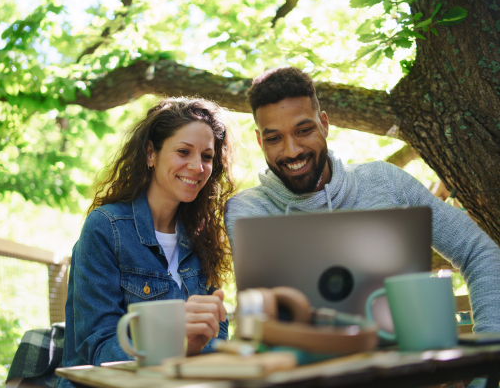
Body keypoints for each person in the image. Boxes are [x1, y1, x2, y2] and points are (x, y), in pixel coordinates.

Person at [224, 66, 500, 333]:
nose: (292, 150)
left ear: (324, 124)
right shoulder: (249, 211)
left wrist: (489, 352)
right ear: (261, 142)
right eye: (274, 138)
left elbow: (479, 252)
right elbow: (264, 320)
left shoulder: (386, 181)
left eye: (303, 130)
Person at [59, 97, 235, 386]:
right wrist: (174, 340)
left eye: (206, 156)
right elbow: (99, 349)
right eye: (183, 151)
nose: (197, 166)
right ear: (150, 153)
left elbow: (216, 338)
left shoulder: (203, 237)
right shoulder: (106, 228)